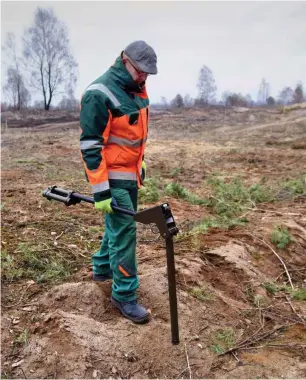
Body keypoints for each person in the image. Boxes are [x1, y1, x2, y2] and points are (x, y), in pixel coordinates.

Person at [79, 41, 158, 324]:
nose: (144, 77)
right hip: (111, 180)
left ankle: (101, 268)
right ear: (125, 61)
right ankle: (124, 295)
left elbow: (133, 135)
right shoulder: (99, 94)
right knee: (125, 232)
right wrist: (101, 191)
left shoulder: (137, 90)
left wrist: (141, 162)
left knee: (118, 225)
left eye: (148, 73)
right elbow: (90, 145)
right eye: (140, 71)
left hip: (129, 177)